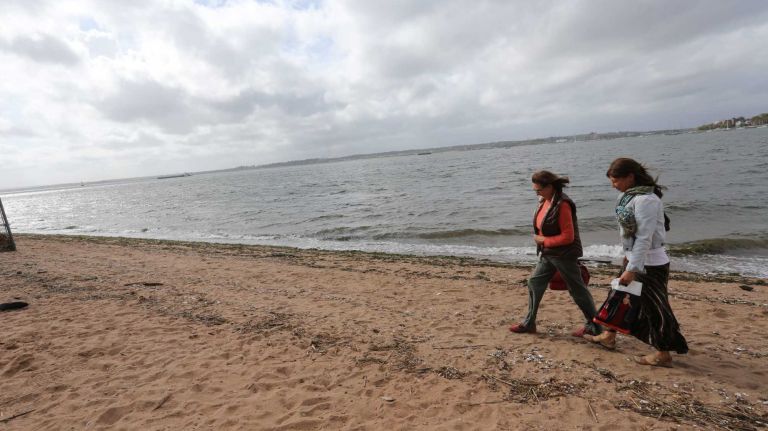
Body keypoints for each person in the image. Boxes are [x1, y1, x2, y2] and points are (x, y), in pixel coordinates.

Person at [584, 157, 688, 367]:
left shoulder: (646, 200)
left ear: (630, 177)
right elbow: (631, 235)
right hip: (636, 258)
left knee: (654, 307)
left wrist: (632, 268)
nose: (614, 185)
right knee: (619, 296)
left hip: (650, 264)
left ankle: (663, 352)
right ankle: (609, 336)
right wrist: (628, 256)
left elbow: (644, 237)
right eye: (611, 181)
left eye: (616, 180)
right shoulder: (629, 196)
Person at [509, 171, 601, 337]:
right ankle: (529, 323)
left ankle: (595, 326)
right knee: (534, 283)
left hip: (564, 255)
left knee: (578, 290)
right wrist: (544, 243)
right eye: (535, 190)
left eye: (539, 190)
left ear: (550, 187)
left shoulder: (563, 204)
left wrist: (543, 240)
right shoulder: (545, 200)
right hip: (548, 254)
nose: (536, 193)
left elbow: (568, 237)